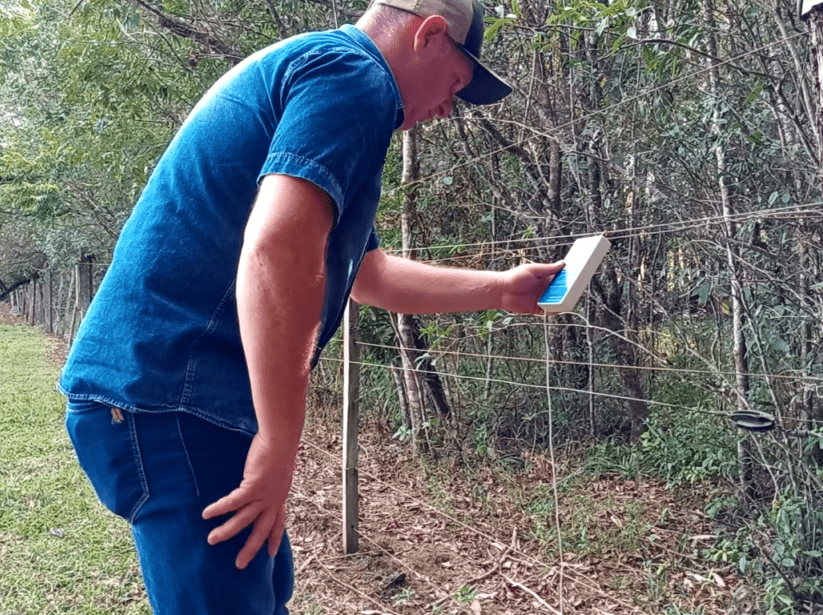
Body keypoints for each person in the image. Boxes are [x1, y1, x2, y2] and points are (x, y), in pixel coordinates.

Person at [59, 0, 564, 612]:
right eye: (456, 82)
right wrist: (279, 441)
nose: (448, 108)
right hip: (173, 397)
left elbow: (365, 274)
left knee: (263, 592)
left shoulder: (326, 74)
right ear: (428, 35)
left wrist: (501, 289)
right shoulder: (356, 77)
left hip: (165, 393)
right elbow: (277, 251)